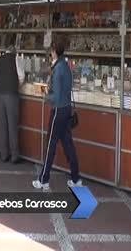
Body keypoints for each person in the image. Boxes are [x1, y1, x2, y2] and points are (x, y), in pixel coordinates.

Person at [33, 41, 82, 190]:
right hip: (66, 109)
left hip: (58, 110)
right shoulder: (65, 66)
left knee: (50, 145)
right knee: (68, 144)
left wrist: (45, 93)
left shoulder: (58, 68)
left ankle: (43, 179)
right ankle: (75, 178)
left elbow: (56, 95)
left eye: (51, 51)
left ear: (54, 51)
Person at [0, 45, 25, 163]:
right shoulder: (16, 59)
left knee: (2, 126)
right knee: (12, 126)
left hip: (0, 95)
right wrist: (17, 85)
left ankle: (4, 154)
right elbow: (22, 76)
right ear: (14, 52)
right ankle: (14, 156)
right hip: (11, 95)